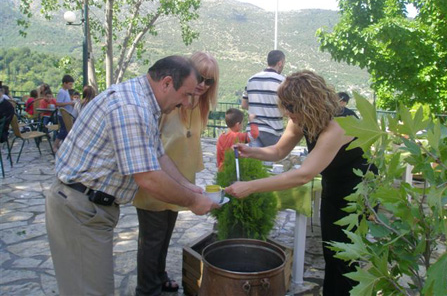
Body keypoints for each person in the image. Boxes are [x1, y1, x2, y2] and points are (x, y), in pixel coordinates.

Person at [46, 55, 218, 295]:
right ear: (167, 83)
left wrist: (190, 188)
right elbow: (147, 178)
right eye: (187, 94)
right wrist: (194, 202)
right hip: (80, 208)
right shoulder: (132, 108)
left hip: (90, 207)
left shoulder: (145, 104)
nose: (188, 102)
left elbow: (159, 157)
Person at [226, 71, 377, 296]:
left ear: (309, 103)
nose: (287, 113)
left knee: (346, 260)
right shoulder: (303, 118)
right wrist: (252, 151)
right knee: (331, 252)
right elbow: (279, 150)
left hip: (359, 192)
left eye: (290, 106)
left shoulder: (339, 125)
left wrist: (250, 186)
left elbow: (303, 175)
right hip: (333, 184)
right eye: (284, 106)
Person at [132, 52, 219, 296]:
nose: (203, 85)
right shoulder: (167, 103)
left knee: (164, 236)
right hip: (157, 181)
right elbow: (151, 147)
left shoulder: (200, 107)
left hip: (180, 183)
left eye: (209, 81)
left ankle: (159, 278)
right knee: (151, 240)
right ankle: (147, 289)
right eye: (200, 77)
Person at [241, 50, 286, 147]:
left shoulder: (251, 79)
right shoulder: (282, 81)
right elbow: (288, 109)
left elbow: (244, 105)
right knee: (271, 161)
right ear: (280, 63)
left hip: (253, 130)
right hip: (273, 132)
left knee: (254, 161)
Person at [53, 75, 75, 151]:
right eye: (70, 84)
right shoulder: (61, 92)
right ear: (65, 83)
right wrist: (69, 103)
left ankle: (62, 145)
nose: (71, 86)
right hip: (63, 115)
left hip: (67, 114)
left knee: (66, 130)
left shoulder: (66, 91)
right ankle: (55, 146)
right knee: (63, 130)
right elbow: (58, 103)